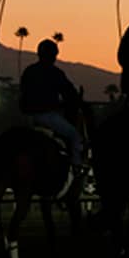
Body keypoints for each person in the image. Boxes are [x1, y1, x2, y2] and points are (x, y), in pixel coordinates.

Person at [19, 39, 84, 172]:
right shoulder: (56, 73)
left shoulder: (29, 71)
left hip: (25, 117)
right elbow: (69, 95)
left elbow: (22, 93)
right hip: (47, 117)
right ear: (54, 55)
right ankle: (76, 167)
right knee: (74, 135)